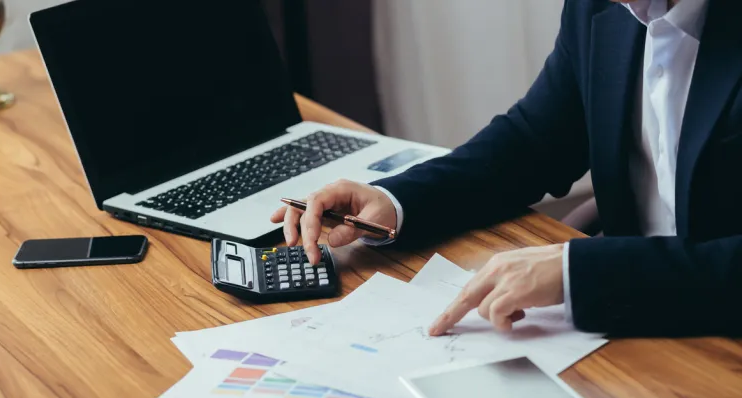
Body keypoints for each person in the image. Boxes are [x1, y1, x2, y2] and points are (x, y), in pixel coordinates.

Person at [271, 0, 742, 337]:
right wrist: (396, 201)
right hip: (627, 335)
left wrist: (580, 272)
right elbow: (532, 142)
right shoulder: (599, 9)